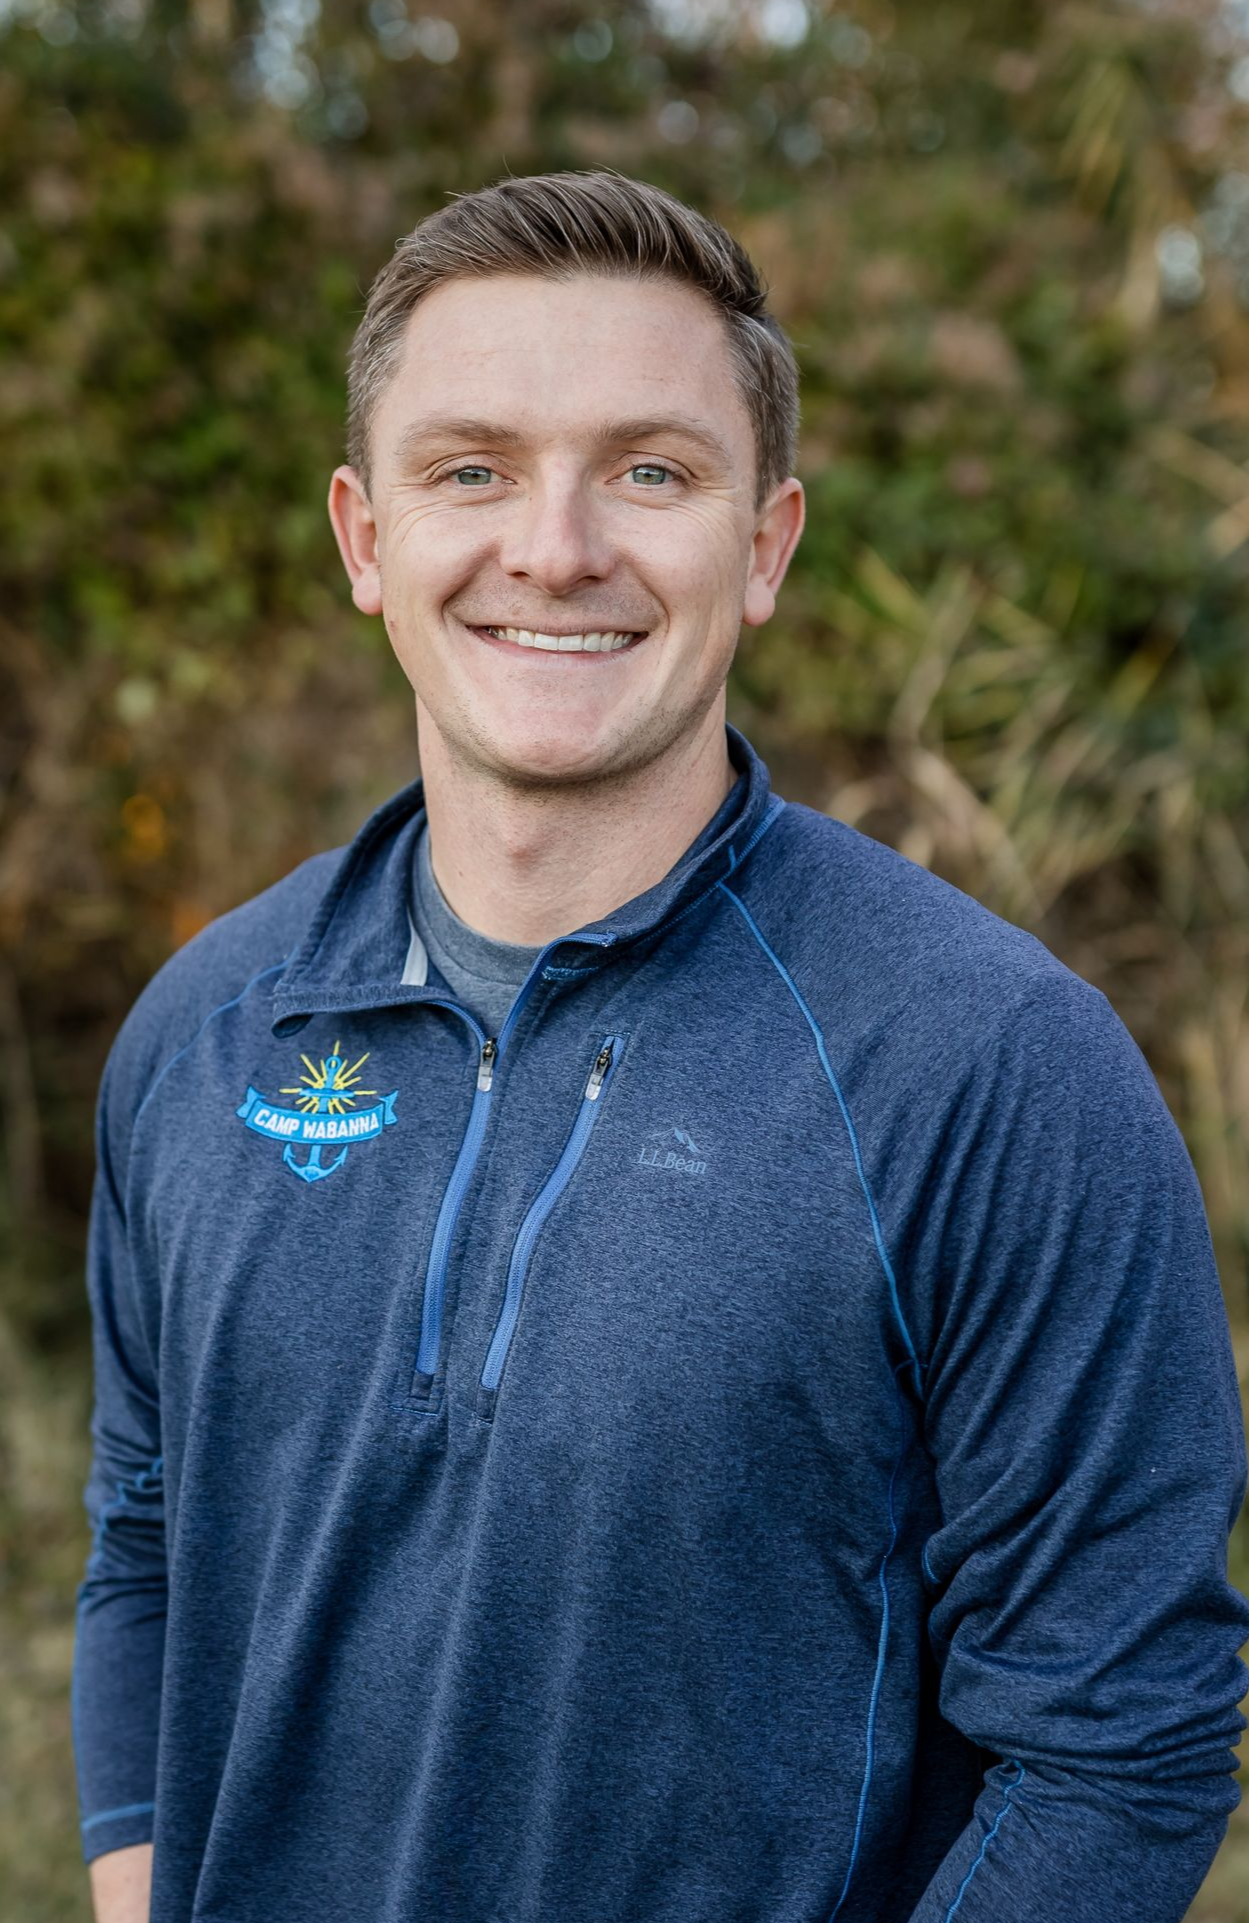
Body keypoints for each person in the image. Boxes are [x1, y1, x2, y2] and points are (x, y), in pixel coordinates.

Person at [73, 169, 1248, 1923]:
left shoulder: (994, 1070)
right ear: (364, 538)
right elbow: (148, 1540)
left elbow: (1122, 1738)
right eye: (472, 469)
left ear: (764, 544)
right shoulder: (202, 1029)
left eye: (650, 471)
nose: (556, 548)